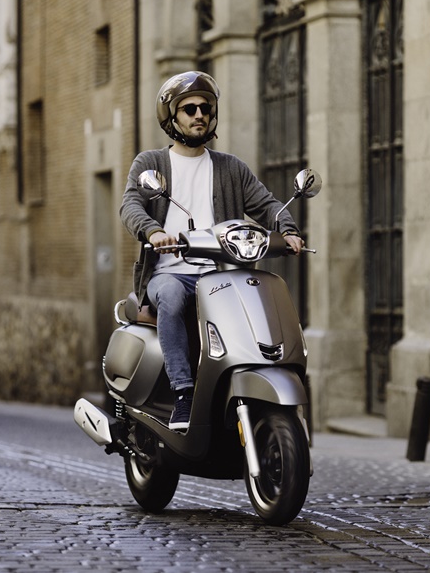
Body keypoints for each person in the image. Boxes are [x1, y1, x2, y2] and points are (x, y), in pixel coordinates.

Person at [120, 71, 304, 430]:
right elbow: (130, 205)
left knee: (261, 299)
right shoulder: (150, 164)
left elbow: (267, 204)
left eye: (206, 108)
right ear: (172, 117)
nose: (199, 115)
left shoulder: (231, 168)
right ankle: (184, 394)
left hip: (222, 276)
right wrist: (153, 231)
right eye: (189, 109)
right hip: (170, 273)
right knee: (171, 296)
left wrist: (287, 229)